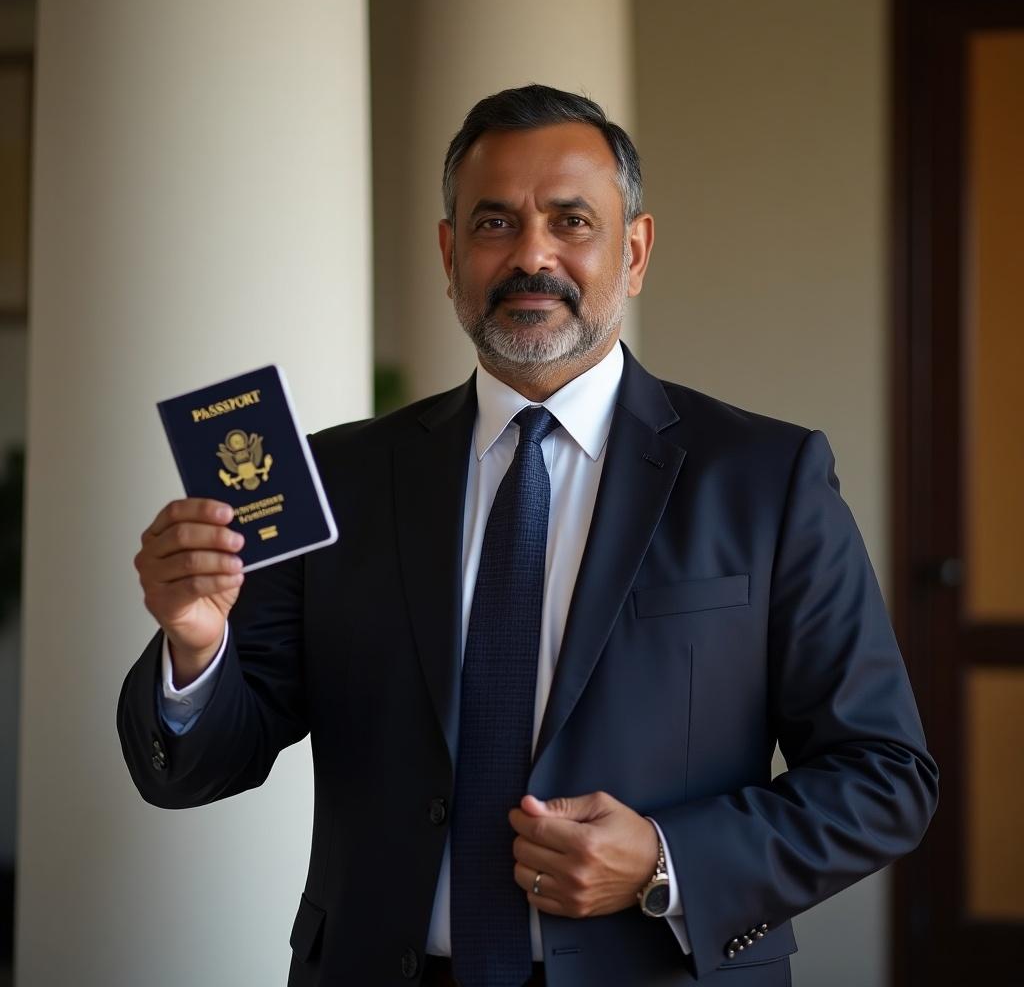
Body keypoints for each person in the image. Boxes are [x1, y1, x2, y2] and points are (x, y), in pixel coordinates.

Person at [119, 85, 938, 987]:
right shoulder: (340, 480)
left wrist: (667, 859)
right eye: (495, 223)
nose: (532, 255)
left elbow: (884, 777)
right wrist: (196, 650)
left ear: (634, 252)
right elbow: (199, 766)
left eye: (572, 221)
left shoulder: (764, 478)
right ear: (449, 253)